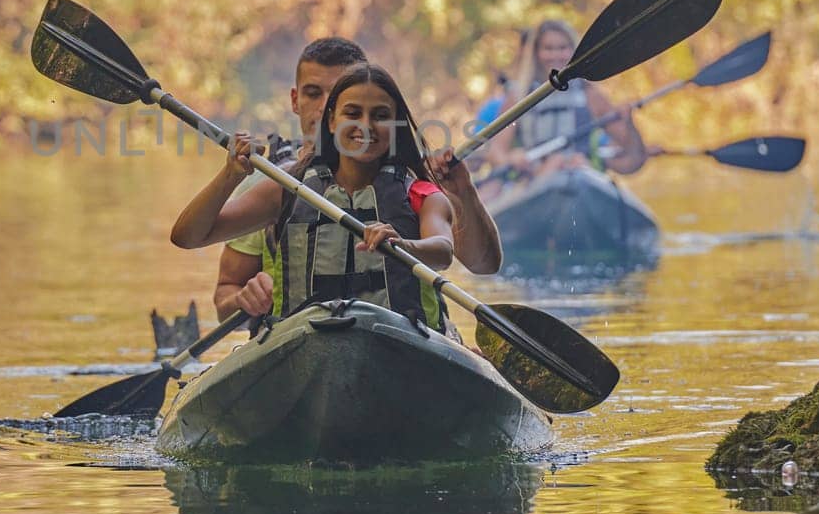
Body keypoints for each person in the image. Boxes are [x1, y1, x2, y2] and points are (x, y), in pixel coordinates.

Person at [211, 43, 502, 326]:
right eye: (314, 93)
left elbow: (483, 266)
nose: (325, 104)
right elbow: (225, 295)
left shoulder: (416, 186)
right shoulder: (270, 183)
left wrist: (464, 192)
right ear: (296, 101)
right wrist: (241, 299)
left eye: (338, 89)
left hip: (401, 342)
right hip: (302, 341)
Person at [173, 63, 457, 333]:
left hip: (396, 339)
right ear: (332, 121)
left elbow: (443, 250)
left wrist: (403, 245)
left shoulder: (421, 194)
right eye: (353, 113)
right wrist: (231, 175)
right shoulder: (289, 189)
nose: (366, 125)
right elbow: (188, 237)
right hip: (304, 339)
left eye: (381, 116)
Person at [495, 18, 646, 181]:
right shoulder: (519, 96)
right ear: (536, 54)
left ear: (573, 50)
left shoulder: (590, 94)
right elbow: (496, 152)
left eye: (563, 48)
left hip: (579, 173)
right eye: (548, 48)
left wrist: (629, 123)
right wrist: (512, 158)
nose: (556, 55)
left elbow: (633, 159)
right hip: (534, 179)